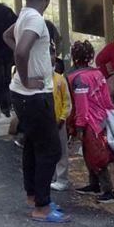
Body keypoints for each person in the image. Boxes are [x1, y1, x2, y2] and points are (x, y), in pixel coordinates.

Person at [2, 0, 67, 223]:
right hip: (34, 95)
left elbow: (7, 37)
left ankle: (34, 196)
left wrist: (27, 62)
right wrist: (27, 78)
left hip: (22, 95)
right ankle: (42, 207)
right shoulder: (36, 19)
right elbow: (20, 51)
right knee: (50, 149)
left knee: (32, 144)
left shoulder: (23, 15)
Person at [67, 40, 114, 204]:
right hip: (101, 118)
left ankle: (108, 191)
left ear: (74, 57)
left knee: (97, 156)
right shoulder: (98, 74)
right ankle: (94, 184)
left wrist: (79, 126)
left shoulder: (78, 78)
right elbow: (107, 98)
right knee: (92, 153)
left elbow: (81, 105)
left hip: (90, 122)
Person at [48, 29, 72, 192]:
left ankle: (62, 178)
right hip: (44, 122)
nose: (48, 57)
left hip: (59, 122)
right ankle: (50, 176)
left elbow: (67, 101)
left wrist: (63, 118)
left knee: (62, 151)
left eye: (51, 54)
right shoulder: (38, 78)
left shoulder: (60, 79)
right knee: (47, 150)